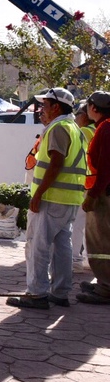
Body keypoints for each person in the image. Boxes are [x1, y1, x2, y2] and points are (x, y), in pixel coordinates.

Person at [7, 88, 87, 310]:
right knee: (62, 246)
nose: (42, 109)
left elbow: (56, 163)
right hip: (69, 198)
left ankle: (36, 294)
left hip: (52, 199)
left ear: (57, 107)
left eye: (46, 105)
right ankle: (59, 292)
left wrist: (39, 193)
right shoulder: (74, 128)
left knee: (38, 246)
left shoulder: (58, 128)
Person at [79, 91, 110, 305]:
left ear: (95, 108)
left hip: (105, 194)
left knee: (101, 242)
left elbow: (106, 168)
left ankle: (105, 287)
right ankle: (104, 282)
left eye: (88, 105)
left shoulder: (106, 128)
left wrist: (93, 194)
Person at [71, 105, 96, 272]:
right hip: (97, 185)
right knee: (91, 225)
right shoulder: (100, 128)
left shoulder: (85, 132)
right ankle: (89, 260)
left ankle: (75, 260)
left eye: (77, 114)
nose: (75, 118)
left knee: (78, 223)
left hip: (86, 183)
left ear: (85, 115)